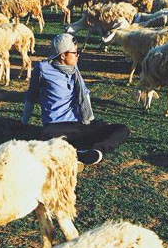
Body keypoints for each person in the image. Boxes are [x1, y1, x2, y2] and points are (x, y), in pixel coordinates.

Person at [21, 33, 130, 165]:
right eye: (75, 52)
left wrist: (90, 119)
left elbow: (84, 93)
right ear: (62, 55)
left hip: (80, 124)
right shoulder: (43, 69)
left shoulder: (74, 68)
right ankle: (76, 153)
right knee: (50, 139)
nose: (78, 55)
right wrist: (24, 123)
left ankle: (95, 152)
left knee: (122, 130)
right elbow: (31, 95)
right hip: (57, 126)